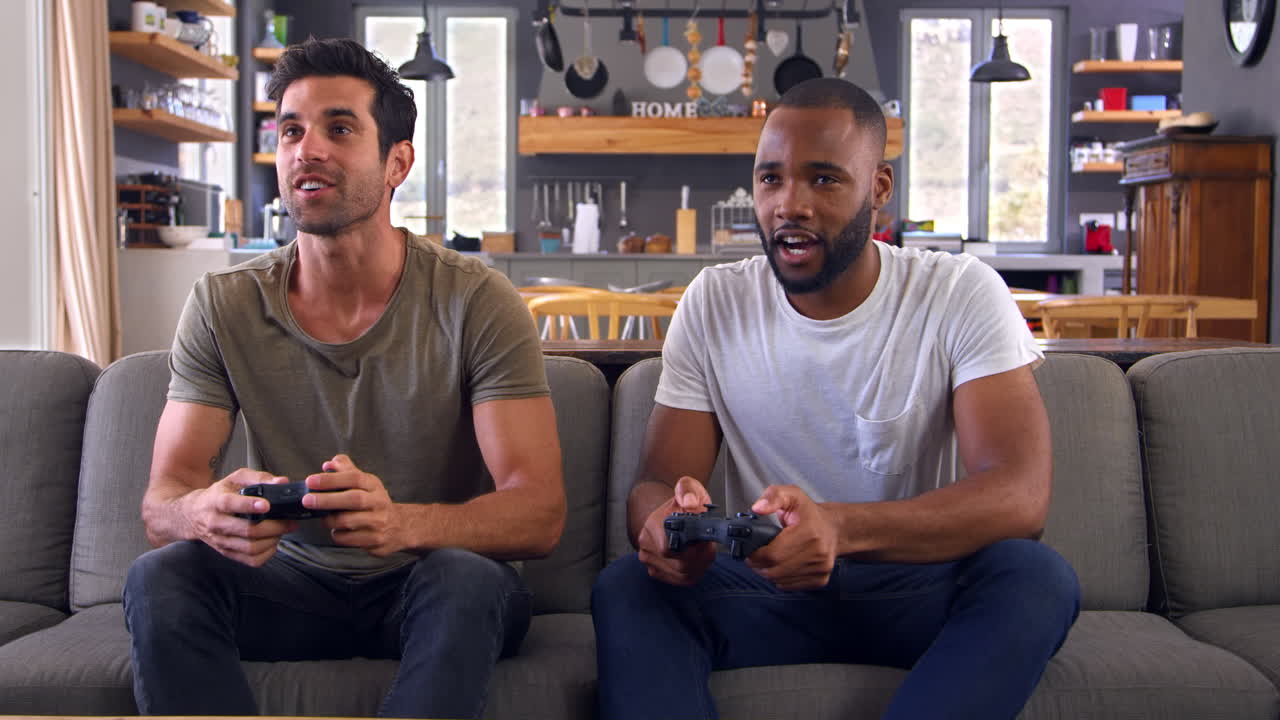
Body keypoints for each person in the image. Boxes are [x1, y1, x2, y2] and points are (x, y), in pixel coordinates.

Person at [591, 77, 1080, 720]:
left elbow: (1019, 495)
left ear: (879, 187)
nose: (789, 204)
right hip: (765, 588)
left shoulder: (960, 293)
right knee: (629, 585)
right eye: (770, 180)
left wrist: (839, 528)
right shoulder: (714, 302)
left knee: (1034, 577)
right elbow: (655, 483)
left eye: (823, 179)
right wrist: (666, 526)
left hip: (914, 587)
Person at [123, 38, 565, 720]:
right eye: (292, 130)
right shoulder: (223, 303)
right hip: (287, 585)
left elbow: (539, 512)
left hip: (429, 581)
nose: (307, 149)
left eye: (339, 128)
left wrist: (401, 523)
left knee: (466, 581)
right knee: (162, 575)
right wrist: (202, 513)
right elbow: (162, 502)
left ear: (398, 163)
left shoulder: (475, 298)